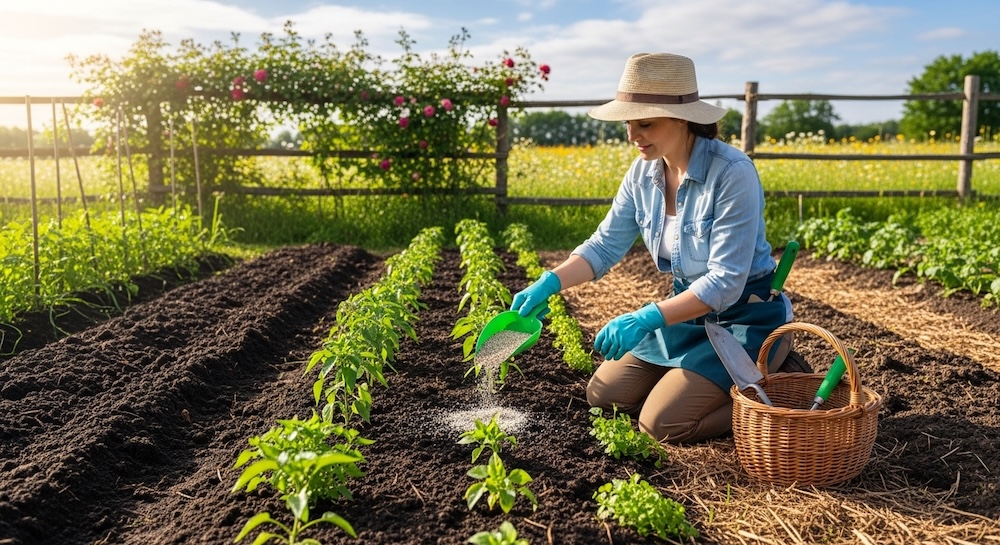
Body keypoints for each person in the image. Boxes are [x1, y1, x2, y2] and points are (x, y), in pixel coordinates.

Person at [509, 52, 799, 444]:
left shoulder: (732, 172)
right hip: (688, 315)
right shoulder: (643, 173)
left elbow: (726, 282)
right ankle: (697, 379)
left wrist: (646, 317)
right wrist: (550, 282)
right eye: (628, 123)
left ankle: (780, 386)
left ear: (682, 119)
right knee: (604, 396)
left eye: (645, 123)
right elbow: (604, 246)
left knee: (661, 424)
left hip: (745, 317)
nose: (632, 134)